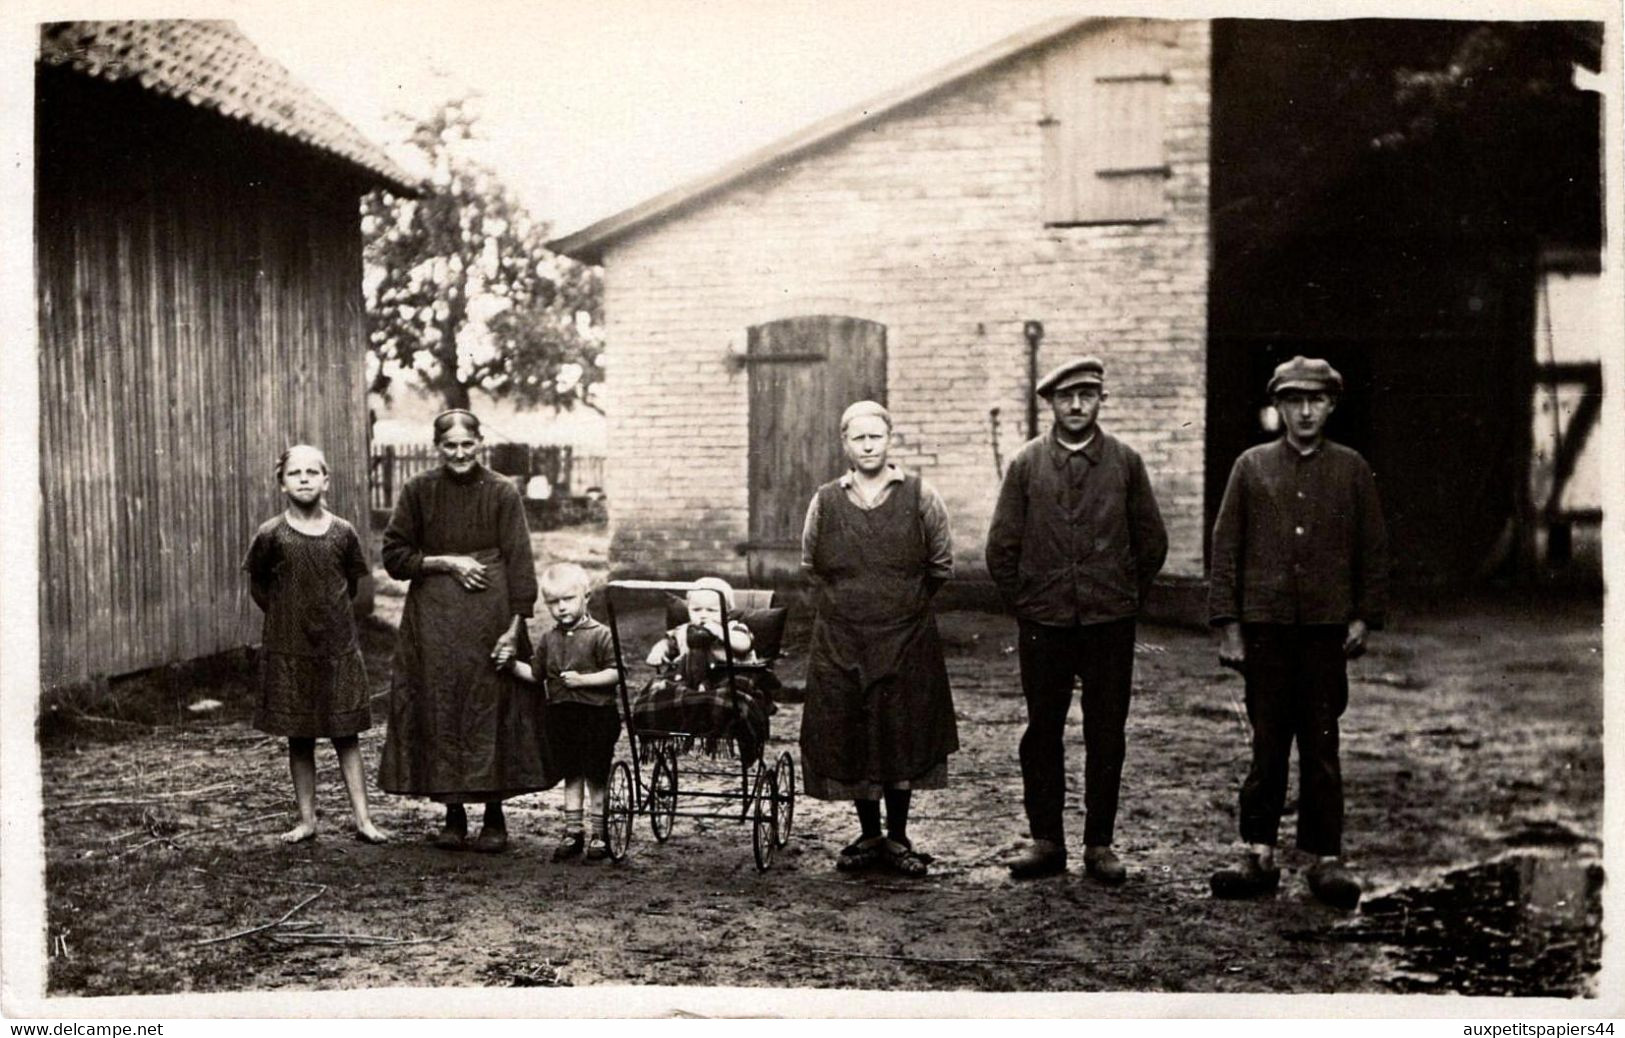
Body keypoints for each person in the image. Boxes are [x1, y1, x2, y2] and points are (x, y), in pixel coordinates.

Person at [1207, 356, 1388, 910]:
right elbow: (1226, 548)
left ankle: (1323, 859)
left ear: (1331, 405)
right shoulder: (1251, 467)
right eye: (1293, 401)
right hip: (1265, 632)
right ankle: (1256, 853)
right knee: (1267, 748)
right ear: (1278, 407)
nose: (1305, 411)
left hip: (1324, 635)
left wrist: (1362, 614)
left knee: (1322, 746)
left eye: (1315, 400)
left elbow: (1371, 549)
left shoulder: (1352, 469)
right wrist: (1229, 625)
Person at [987, 357, 1167, 882]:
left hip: (1109, 622)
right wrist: (1028, 601)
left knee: (1106, 730)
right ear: (1050, 403)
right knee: (1043, 729)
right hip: (1044, 622)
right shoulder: (1025, 465)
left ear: (1100, 400)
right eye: (1066, 396)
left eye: (1087, 394)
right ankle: (1046, 841)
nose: (1076, 405)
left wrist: (1123, 594)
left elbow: (1151, 541)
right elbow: (1001, 545)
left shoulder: (1125, 463)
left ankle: (1099, 845)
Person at [378, 409, 553, 852]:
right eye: (449, 446)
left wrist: (514, 629)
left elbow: (520, 562)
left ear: (480, 443)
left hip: (490, 619)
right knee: (441, 707)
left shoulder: (501, 492)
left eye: (467, 444)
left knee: (492, 707)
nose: (459, 453)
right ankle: (453, 816)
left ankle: (495, 818)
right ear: (437, 448)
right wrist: (446, 562)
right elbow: (395, 556)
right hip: (433, 622)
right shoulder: (419, 491)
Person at [799, 400, 958, 878]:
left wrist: (900, 606)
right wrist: (852, 608)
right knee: (854, 729)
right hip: (843, 637)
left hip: (905, 636)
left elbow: (941, 565)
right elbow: (812, 566)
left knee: (900, 729)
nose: (868, 445)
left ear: (890, 440)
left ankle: (899, 837)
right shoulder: (825, 500)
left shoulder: (920, 495)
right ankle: (869, 835)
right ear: (845, 445)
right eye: (858, 438)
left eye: (876, 436)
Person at [244, 444, 389, 844]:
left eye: (313, 472)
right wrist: (285, 616)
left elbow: (354, 584)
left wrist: (331, 620)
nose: (304, 478)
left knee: (346, 734)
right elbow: (258, 583)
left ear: (327, 480)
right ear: (281, 484)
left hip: (336, 649)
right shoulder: (271, 534)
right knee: (300, 735)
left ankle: (363, 820)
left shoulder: (343, 532)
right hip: (289, 648)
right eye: (295, 473)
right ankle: (307, 820)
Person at [496, 563, 621, 862]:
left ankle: (599, 835)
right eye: (553, 602)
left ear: (586, 596)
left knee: (595, 776)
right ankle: (572, 832)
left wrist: (584, 680)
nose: (561, 608)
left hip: (596, 716)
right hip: (562, 717)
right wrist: (512, 666)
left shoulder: (600, 635)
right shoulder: (549, 640)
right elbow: (536, 675)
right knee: (571, 775)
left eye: (568, 599)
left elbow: (617, 674)